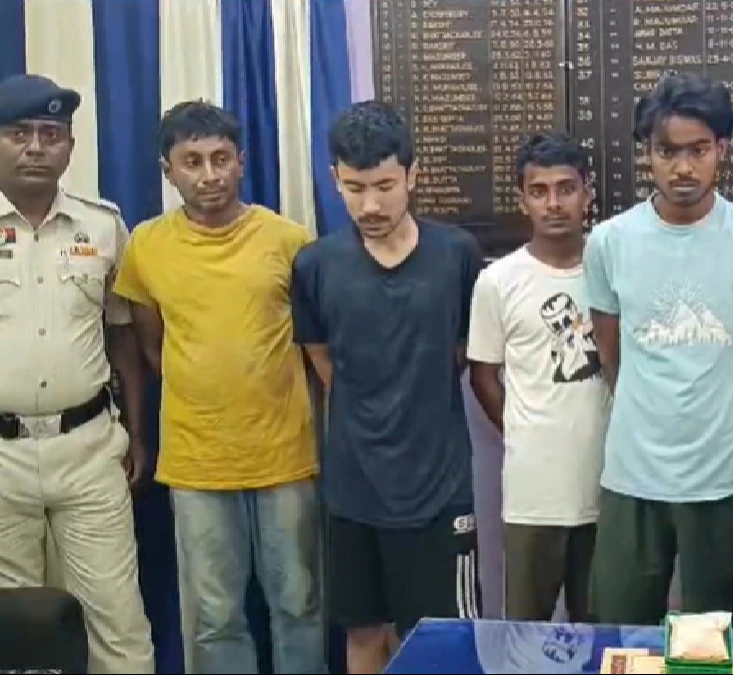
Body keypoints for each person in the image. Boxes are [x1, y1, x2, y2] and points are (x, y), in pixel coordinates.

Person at [583, 72, 733, 629]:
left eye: (698, 150)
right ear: (647, 154)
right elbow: (610, 352)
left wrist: (721, 404)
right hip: (633, 475)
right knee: (619, 631)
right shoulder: (609, 242)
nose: (683, 168)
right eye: (667, 151)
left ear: (721, 149)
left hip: (723, 477)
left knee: (719, 641)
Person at [112, 101, 324, 673]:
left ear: (241, 162)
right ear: (168, 170)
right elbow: (152, 347)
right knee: (214, 614)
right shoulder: (147, 246)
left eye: (221, 158)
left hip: (285, 455)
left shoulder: (288, 240)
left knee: (299, 605)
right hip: (196, 460)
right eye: (193, 161)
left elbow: (314, 347)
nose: (209, 174)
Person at [290, 100, 483, 674]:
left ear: (412, 175)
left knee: (443, 642)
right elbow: (325, 363)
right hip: (353, 490)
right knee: (364, 633)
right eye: (354, 188)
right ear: (334, 179)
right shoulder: (315, 265)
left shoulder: (457, 255)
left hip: (438, 490)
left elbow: (459, 355)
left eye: (384, 186)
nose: (370, 205)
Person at [0, 73, 154, 673]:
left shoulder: (102, 225)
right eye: (19, 134)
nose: (36, 147)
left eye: (51, 134)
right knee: (14, 632)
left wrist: (137, 433)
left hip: (88, 450)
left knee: (118, 623)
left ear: (69, 145)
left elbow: (122, 336)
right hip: (1, 459)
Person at [467, 133, 609, 622]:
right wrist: (520, 429)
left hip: (609, 486)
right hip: (532, 493)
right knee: (525, 634)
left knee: (602, 632)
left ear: (587, 193)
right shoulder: (498, 281)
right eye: (539, 190)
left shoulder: (614, 270)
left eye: (566, 188)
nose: (554, 203)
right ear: (522, 199)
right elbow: (482, 374)